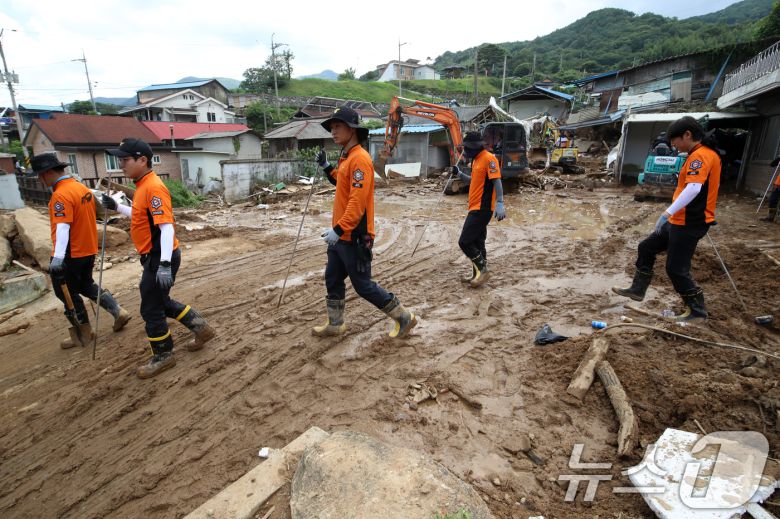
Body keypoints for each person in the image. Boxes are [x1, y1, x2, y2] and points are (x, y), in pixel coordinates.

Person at [102, 138, 214, 378]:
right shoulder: (143, 185)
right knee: (160, 302)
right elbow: (141, 216)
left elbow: (166, 227)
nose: (121, 164)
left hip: (160, 257)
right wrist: (117, 207)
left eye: (125, 159)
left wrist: (163, 264)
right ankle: (201, 328)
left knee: (151, 308)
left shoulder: (153, 187)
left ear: (142, 160)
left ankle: (164, 356)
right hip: (156, 256)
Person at [313, 107, 417, 339]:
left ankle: (404, 317)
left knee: (363, 285)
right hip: (340, 236)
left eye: (337, 126)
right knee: (333, 278)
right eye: (331, 128)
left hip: (354, 236)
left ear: (352, 129)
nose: (333, 131)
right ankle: (335, 324)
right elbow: (342, 183)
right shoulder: (347, 157)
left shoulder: (360, 159)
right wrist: (327, 167)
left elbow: (357, 202)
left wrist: (339, 229)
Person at [612, 116, 721, 322]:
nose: (672, 145)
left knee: (676, 269)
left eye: (674, 140)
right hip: (679, 220)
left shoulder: (701, 156)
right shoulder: (696, 154)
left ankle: (697, 310)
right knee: (646, 247)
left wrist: (667, 213)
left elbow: (694, 188)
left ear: (687, 135)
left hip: (690, 222)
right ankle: (638, 289)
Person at [32, 153, 131, 349]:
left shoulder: (60, 195)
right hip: (88, 248)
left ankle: (83, 333)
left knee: (66, 292)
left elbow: (63, 226)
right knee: (85, 284)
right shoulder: (81, 188)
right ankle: (117, 311)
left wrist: (58, 258)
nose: (39, 180)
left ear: (48, 172)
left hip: (71, 251)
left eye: (40, 175)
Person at [454, 130, 506, 287]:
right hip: (474, 206)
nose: (466, 151)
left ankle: (483, 270)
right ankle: (477, 275)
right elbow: (474, 181)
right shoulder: (475, 161)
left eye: (468, 148)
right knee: (477, 242)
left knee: (464, 241)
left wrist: (500, 202)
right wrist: (459, 174)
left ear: (477, 146)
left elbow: (497, 181)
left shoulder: (489, 158)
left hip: (482, 208)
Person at [759, 156, 780, 223]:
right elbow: (772, 164)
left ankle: (778, 218)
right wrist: (778, 158)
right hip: (778, 184)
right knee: (773, 200)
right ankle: (770, 216)